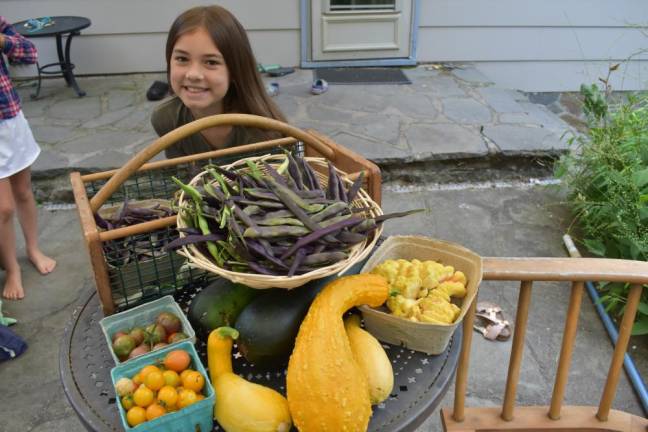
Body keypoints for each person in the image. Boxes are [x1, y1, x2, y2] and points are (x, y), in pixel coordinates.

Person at [151, 5, 287, 158]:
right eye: (182, 59)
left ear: (235, 70)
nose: (193, 74)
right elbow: (179, 173)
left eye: (211, 62)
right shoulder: (166, 120)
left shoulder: (263, 134)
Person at [0, 16, 56, 300]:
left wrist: (2, 41)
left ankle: (33, 248)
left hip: (10, 120)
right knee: (3, 208)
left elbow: (28, 52)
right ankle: (12, 269)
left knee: (23, 191)